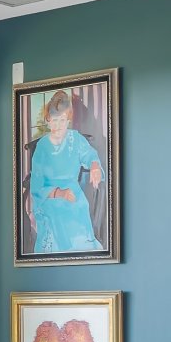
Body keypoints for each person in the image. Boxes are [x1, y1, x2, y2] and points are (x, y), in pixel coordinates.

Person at [24, 89, 105, 255]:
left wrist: (95, 166)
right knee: (58, 217)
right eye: (54, 120)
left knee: (79, 210)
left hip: (73, 193)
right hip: (49, 197)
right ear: (48, 120)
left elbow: (90, 155)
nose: (59, 125)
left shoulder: (75, 139)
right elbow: (37, 186)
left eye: (62, 120)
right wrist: (59, 193)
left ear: (68, 119)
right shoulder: (42, 147)